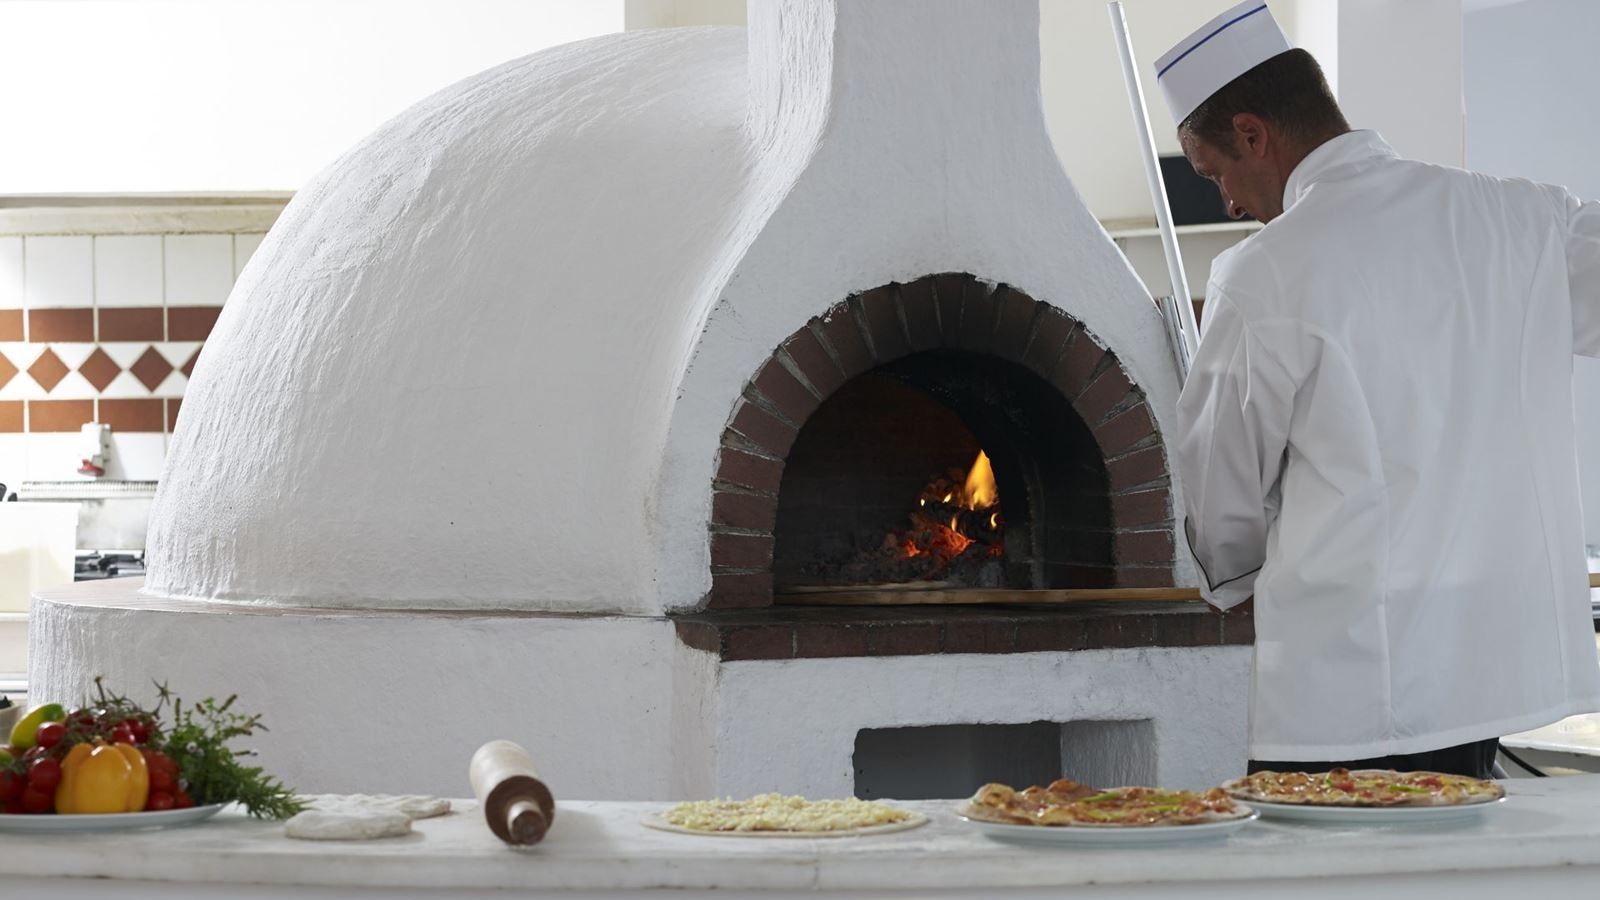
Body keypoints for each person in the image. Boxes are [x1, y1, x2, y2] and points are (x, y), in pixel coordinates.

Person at [1154, 1, 1600, 778]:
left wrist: (1235, 583)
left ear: (1254, 134)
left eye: (1215, 170)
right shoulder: (1527, 220)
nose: (1226, 200)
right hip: (1492, 673)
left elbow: (1220, 486)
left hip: (1347, 689)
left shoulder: (1263, 272)